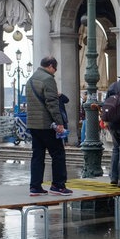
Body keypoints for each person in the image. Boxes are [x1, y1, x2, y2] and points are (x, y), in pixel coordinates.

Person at [26, 56, 72, 196]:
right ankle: (58, 185)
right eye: (55, 68)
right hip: (47, 125)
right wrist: (59, 123)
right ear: (50, 66)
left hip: (33, 124)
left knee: (37, 155)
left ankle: (35, 186)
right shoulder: (48, 79)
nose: (55, 72)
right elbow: (52, 104)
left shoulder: (31, 79)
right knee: (58, 154)